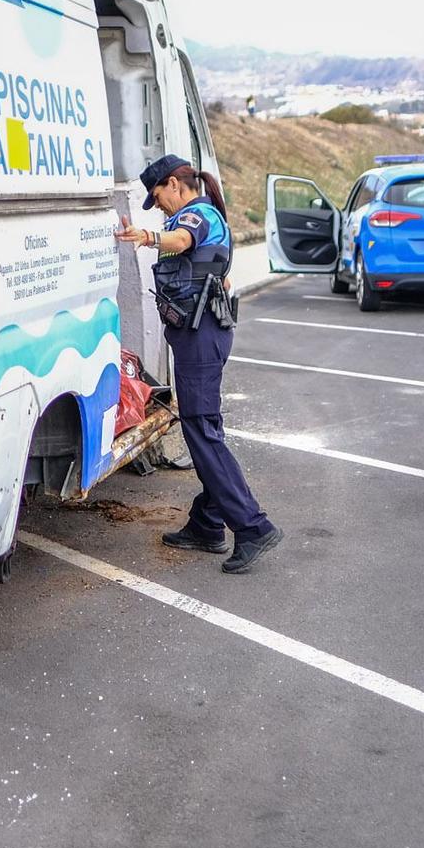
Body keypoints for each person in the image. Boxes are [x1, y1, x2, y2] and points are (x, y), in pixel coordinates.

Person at [114, 155, 283, 573]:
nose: (162, 206)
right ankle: (207, 524)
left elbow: (182, 244)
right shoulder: (197, 214)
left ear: (175, 184)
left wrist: (147, 237)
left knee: (202, 432)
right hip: (199, 334)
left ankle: (253, 527)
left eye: (159, 197)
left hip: (202, 336)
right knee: (205, 430)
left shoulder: (197, 214)